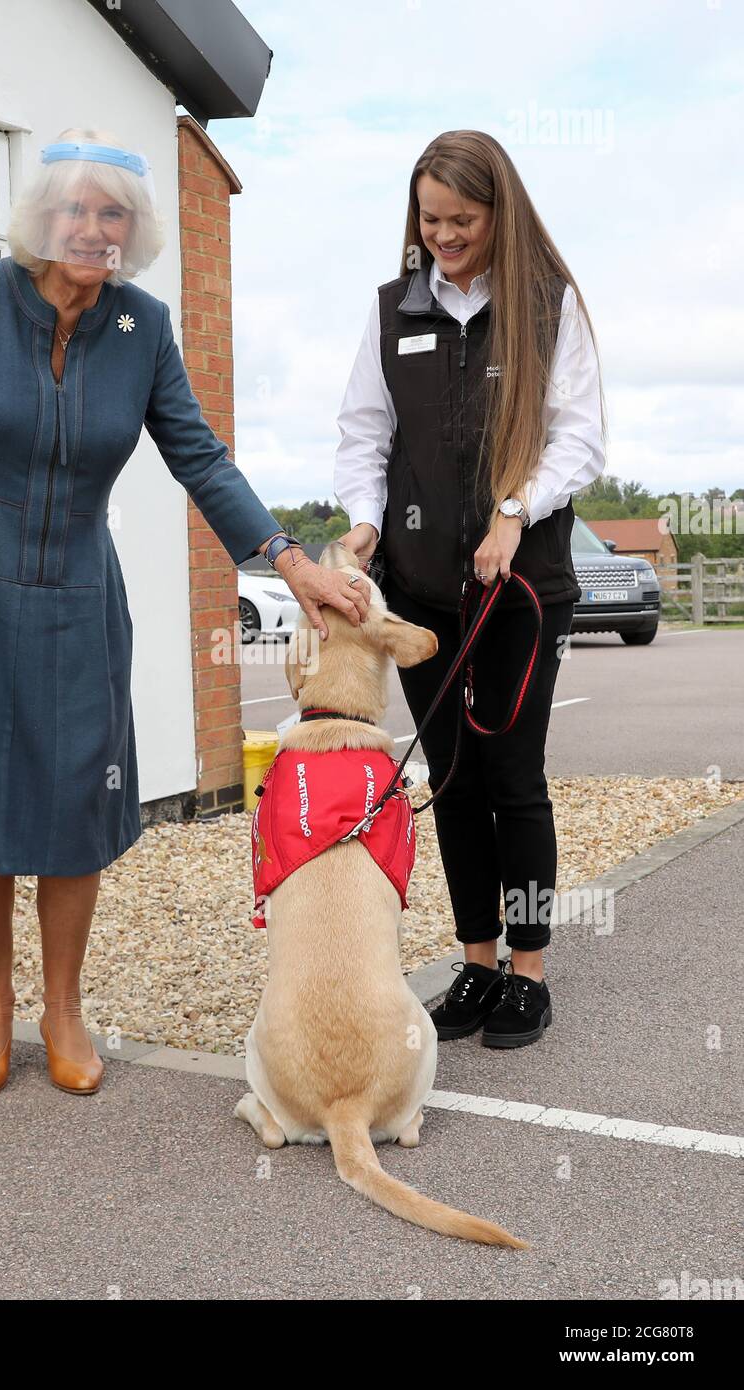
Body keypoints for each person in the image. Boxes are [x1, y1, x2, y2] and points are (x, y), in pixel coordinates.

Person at [0, 127, 371, 1097]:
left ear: (132, 235)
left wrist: (290, 560)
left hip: (75, 593)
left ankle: (64, 1007)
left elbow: (200, 457)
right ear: (42, 218)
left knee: (79, 797)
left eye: (113, 216)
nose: (93, 229)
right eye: (76, 210)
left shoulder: (140, 325)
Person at [335, 129, 606, 1049]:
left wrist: (511, 510)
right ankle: (477, 963)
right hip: (418, 589)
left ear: (499, 213)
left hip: (521, 587)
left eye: (462, 219)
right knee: (449, 776)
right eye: (429, 218)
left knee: (512, 776)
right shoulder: (392, 311)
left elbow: (578, 438)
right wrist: (363, 521)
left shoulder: (544, 305)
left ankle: (528, 972)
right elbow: (364, 436)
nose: (442, 235)